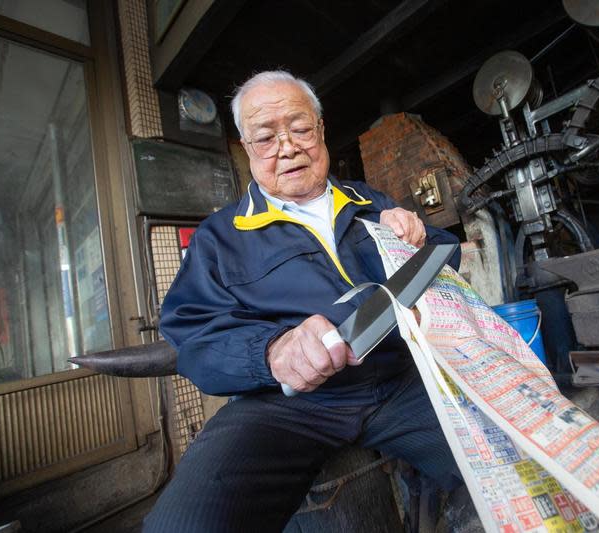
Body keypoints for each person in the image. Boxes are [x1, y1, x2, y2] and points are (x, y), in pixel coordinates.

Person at [143, 71, 463, 532]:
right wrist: (270, 351)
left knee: (521, 460)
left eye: (299, 128)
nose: (287, 147)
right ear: (246, 148)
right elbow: (191, 331)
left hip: (402, 379)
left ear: (321, 130)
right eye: (266, 137)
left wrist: (414, 231)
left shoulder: (368, 201)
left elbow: (442, 251)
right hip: (287, 405)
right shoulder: (221, 236)